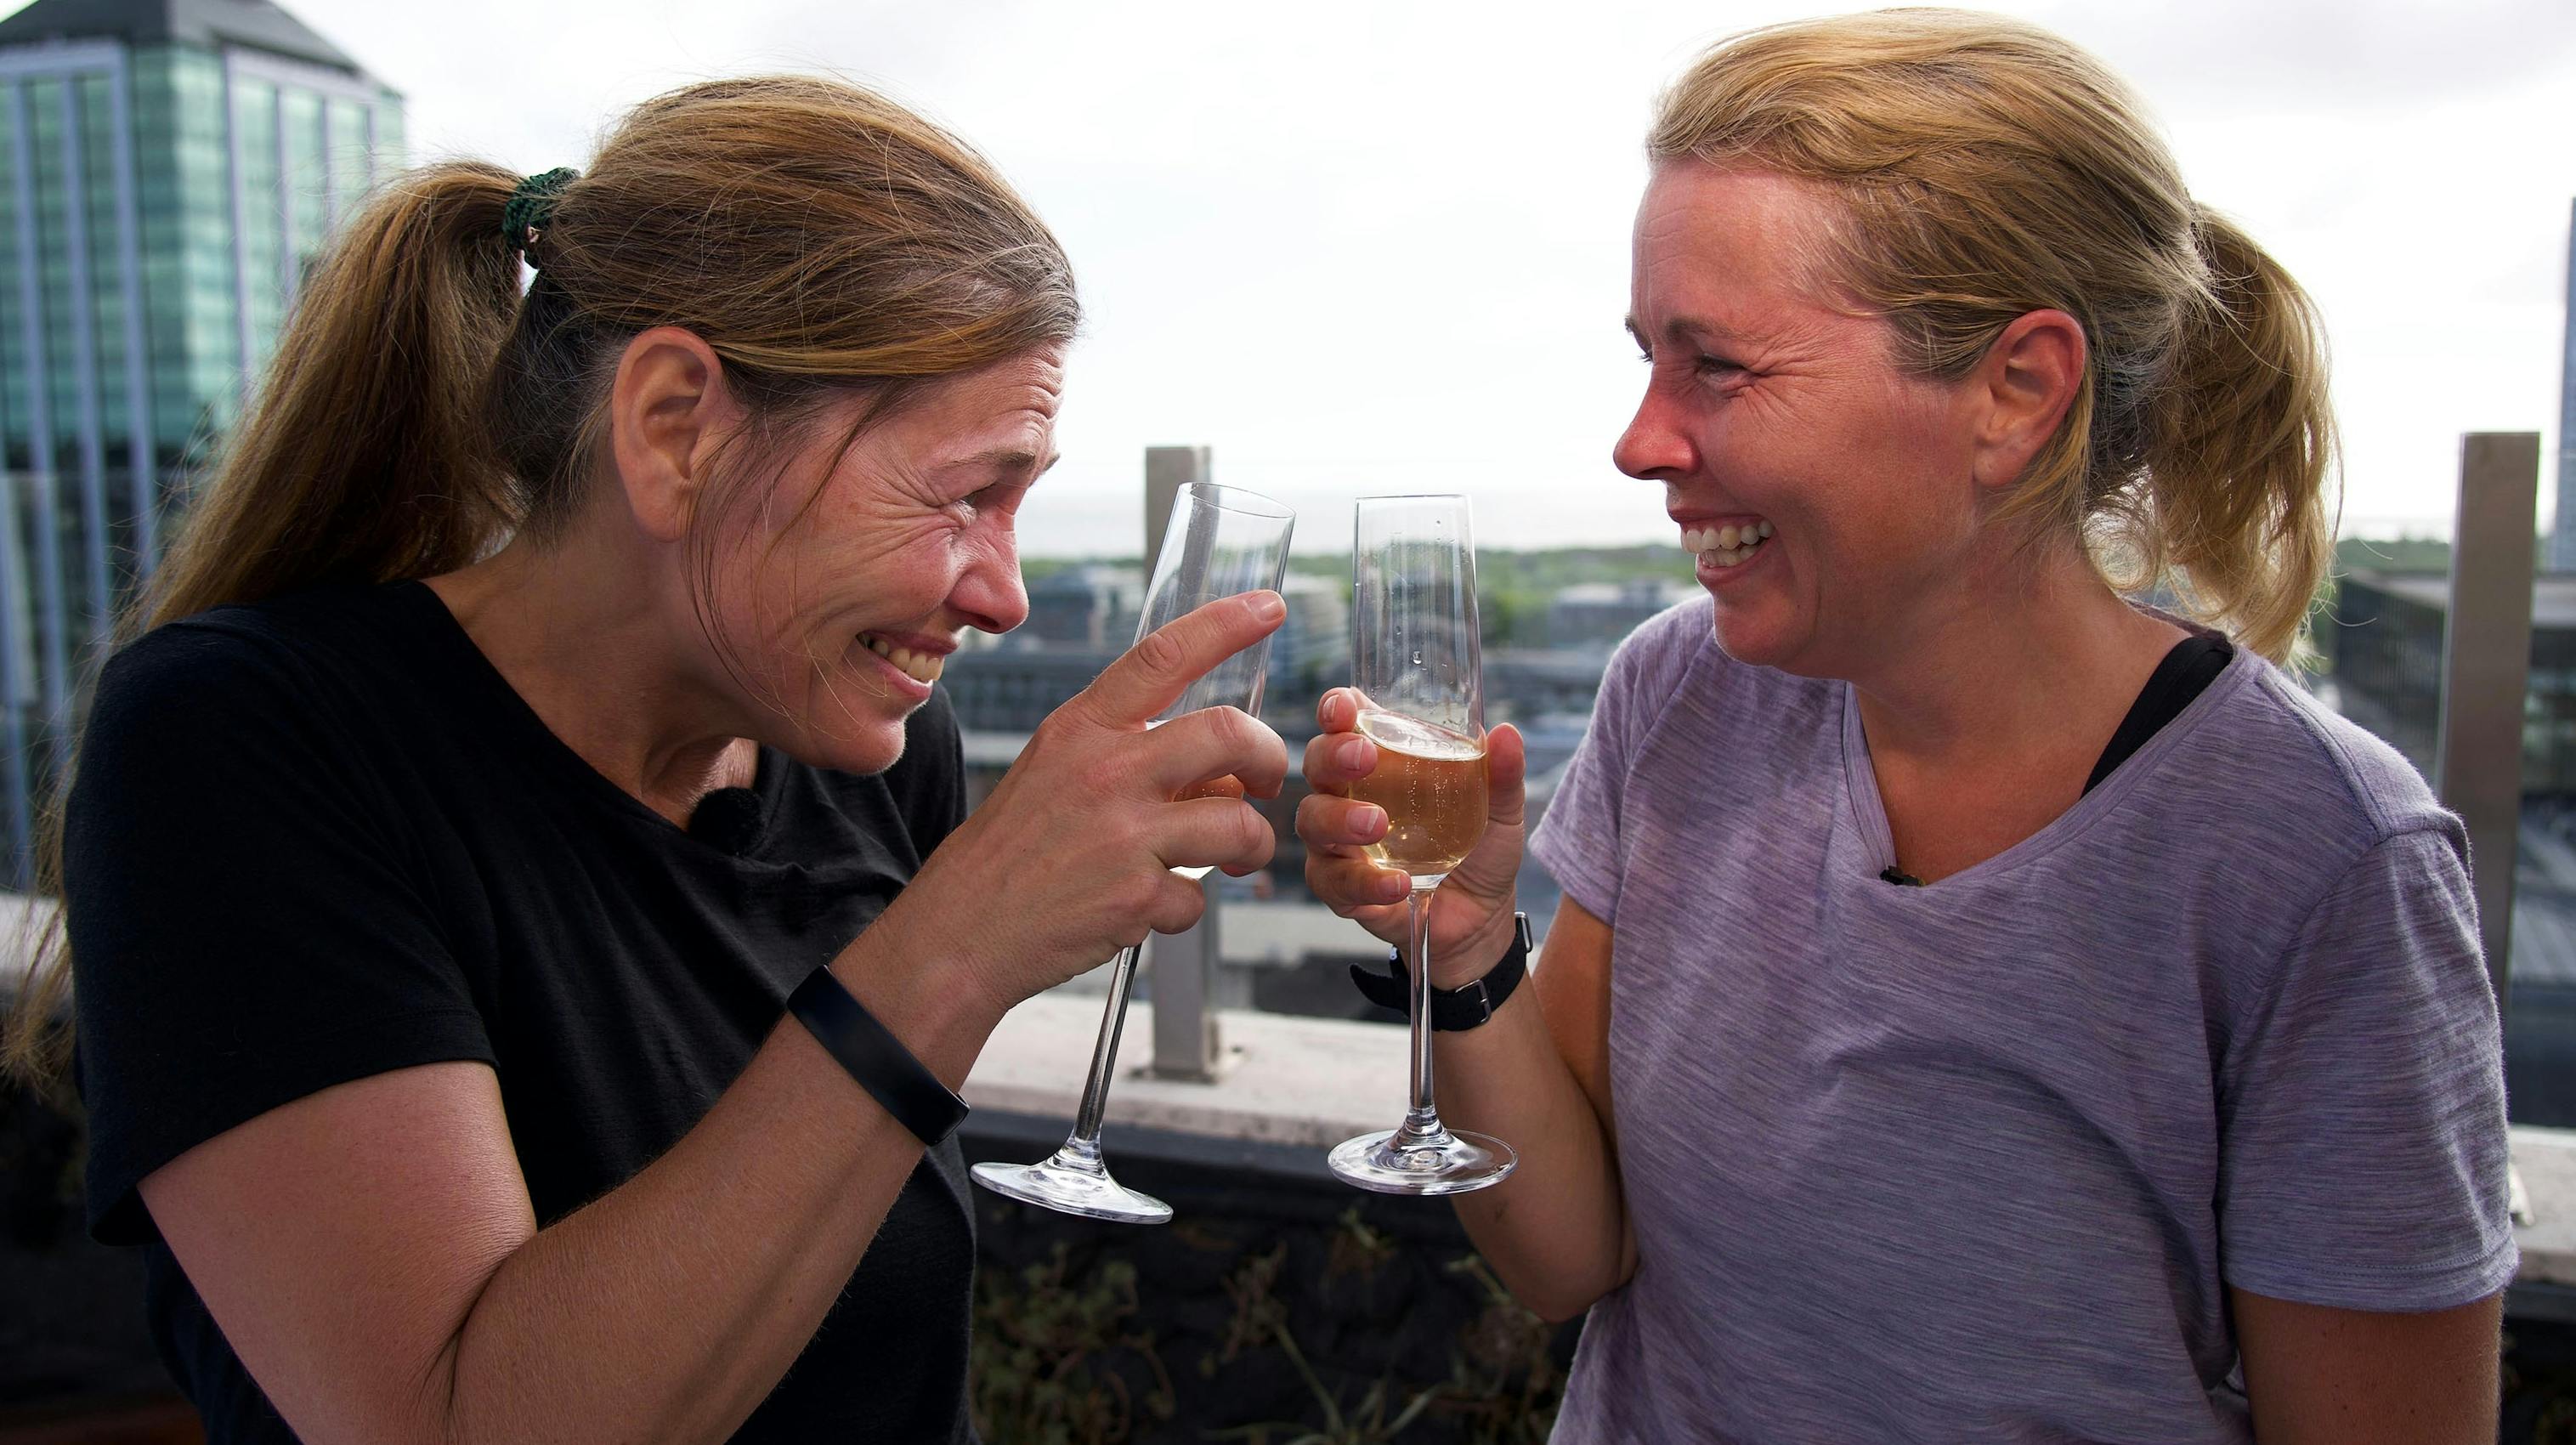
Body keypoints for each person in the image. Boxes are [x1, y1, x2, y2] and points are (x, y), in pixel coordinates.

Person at [1, 77, 1288, 1444]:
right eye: (968, 492)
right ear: (675, 424)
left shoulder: (874, 752)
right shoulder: (247, 746)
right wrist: (953, 951)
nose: (1005, 596)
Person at [1299, 12, 2511, 1442]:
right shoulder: (1678, 695)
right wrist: (1470, 959)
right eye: (1646, 358)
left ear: (2017, 392)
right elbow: (1572, 1257)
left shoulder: (2317, 861)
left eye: (1719, 367)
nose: (1638, 440)